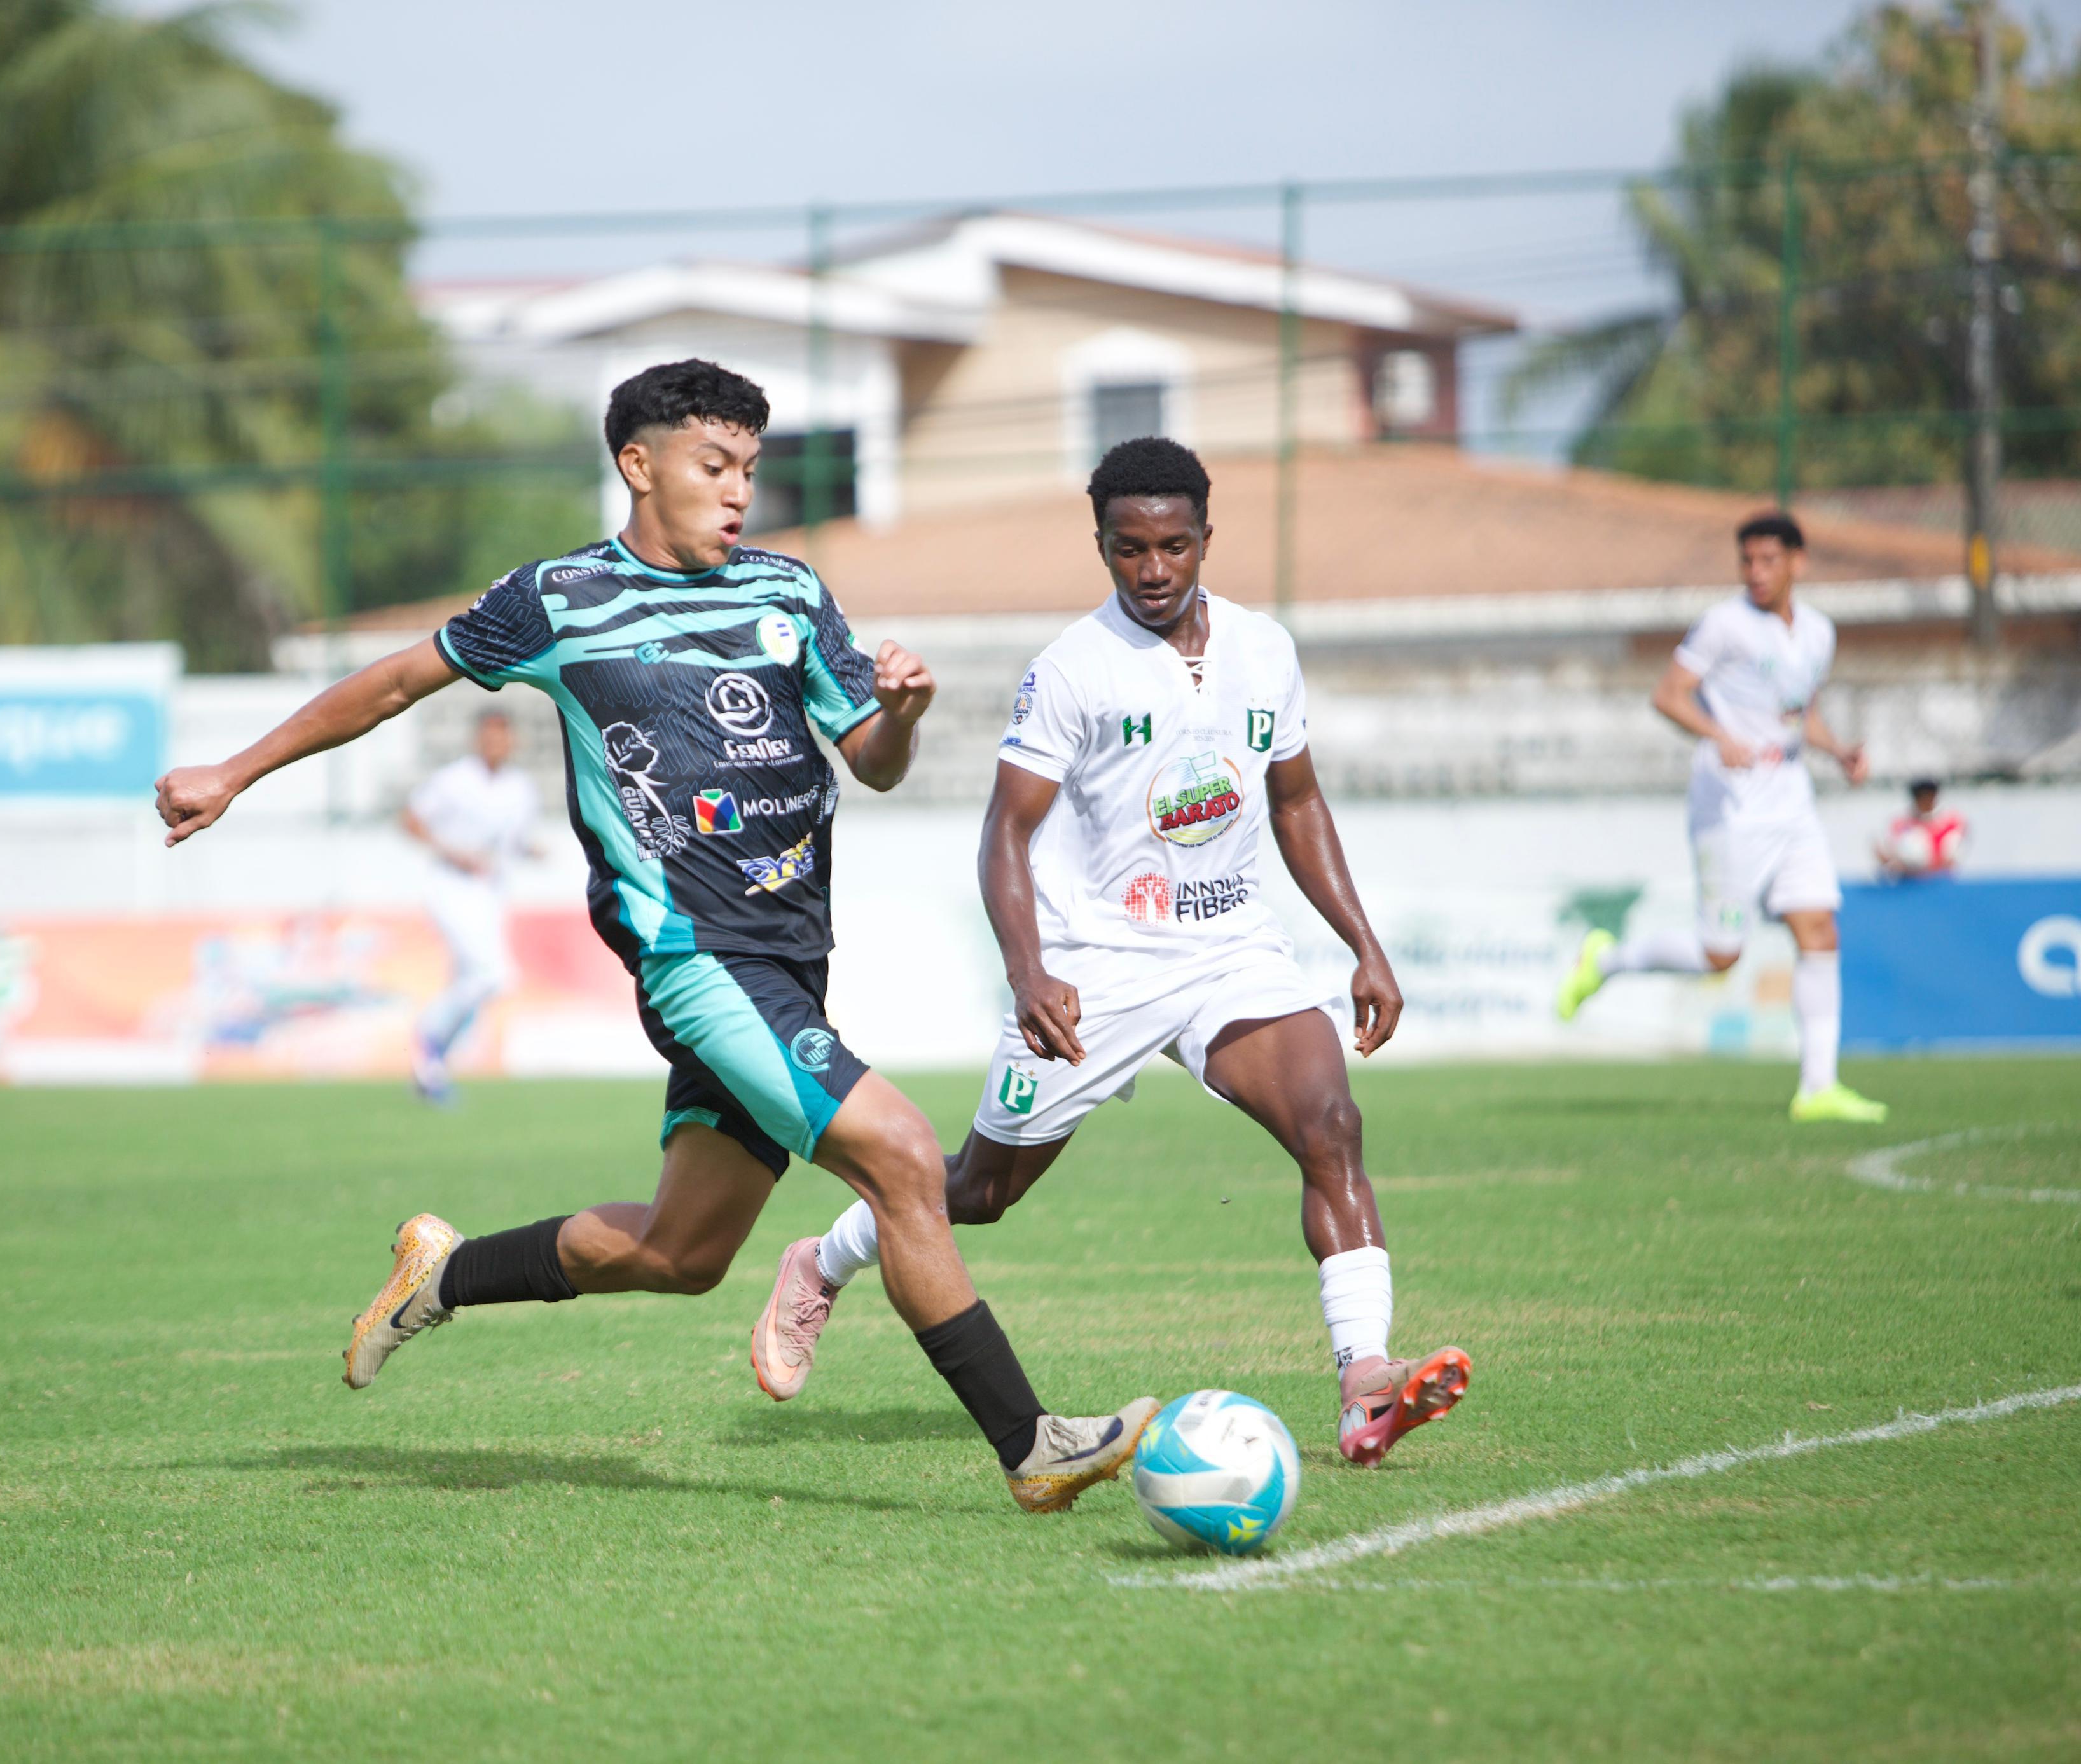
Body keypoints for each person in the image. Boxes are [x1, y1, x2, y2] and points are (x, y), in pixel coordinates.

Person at [153, 358, 1156, 1513]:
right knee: (903, 1154)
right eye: (714, 465)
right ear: (639, 465)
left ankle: (445, 1271)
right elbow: (391, 685)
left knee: (683, 1254)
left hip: (790, 961)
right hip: (698, 959)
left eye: (750, 470)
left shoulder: (788, 591)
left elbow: (872, 763)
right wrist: (234, 771)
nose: (739, 491)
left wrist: (904, 714)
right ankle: (1033, 1445)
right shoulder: (558, 597)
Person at [748, 436, 1471, 1470]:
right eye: (1130, 548)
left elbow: (1297, 800)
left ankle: (1365, 1380)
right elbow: (1005, 833)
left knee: (1332, 1124)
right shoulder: (1072, 669)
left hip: (1231, 949)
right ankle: (824, 1258)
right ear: (1102, 546)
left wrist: (1364, 943)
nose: (1154, 568)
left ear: (1207, 537)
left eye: (1174, 545)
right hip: (1094, 965)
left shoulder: (1266, 648)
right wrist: (1029, 971)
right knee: (981, 1192)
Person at [1556, 511, 1885, 1123]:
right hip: (1731, 805)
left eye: (1769, 560)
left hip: (1791, 798)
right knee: (1721, 954)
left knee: (1819, 928)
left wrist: (1838, 750)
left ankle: (1818, 1088)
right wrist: (1718, 736)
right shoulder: (1725, 625)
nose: (1756, 572)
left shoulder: (1818, 633)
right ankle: (1604, 962)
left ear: (1797, 563)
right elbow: (1668, 695)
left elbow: (1799, 714)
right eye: (1748, 561)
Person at [400, 708, 541, 1105]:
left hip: (490, 889)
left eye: (503, 736)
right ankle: (428, 1038)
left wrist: (536, 852)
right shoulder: (455, 780)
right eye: (490, 736)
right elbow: (411, 820)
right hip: (451, 884)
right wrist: (452, 851)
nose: (497, 744)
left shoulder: (520, 788)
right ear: (478, 739)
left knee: (472, 979)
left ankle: (431, 1068)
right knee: (492, 975)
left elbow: (515, 842)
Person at [1876, 776, 1966, 878]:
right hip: (1909, 882)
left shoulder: (1951, 822)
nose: (1926, 800)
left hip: (1942, 881)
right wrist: (1890, 861)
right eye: (1921, 796)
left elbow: (1953, 858)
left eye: (1929, 795)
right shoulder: (1901, 824)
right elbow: (1889, 856)